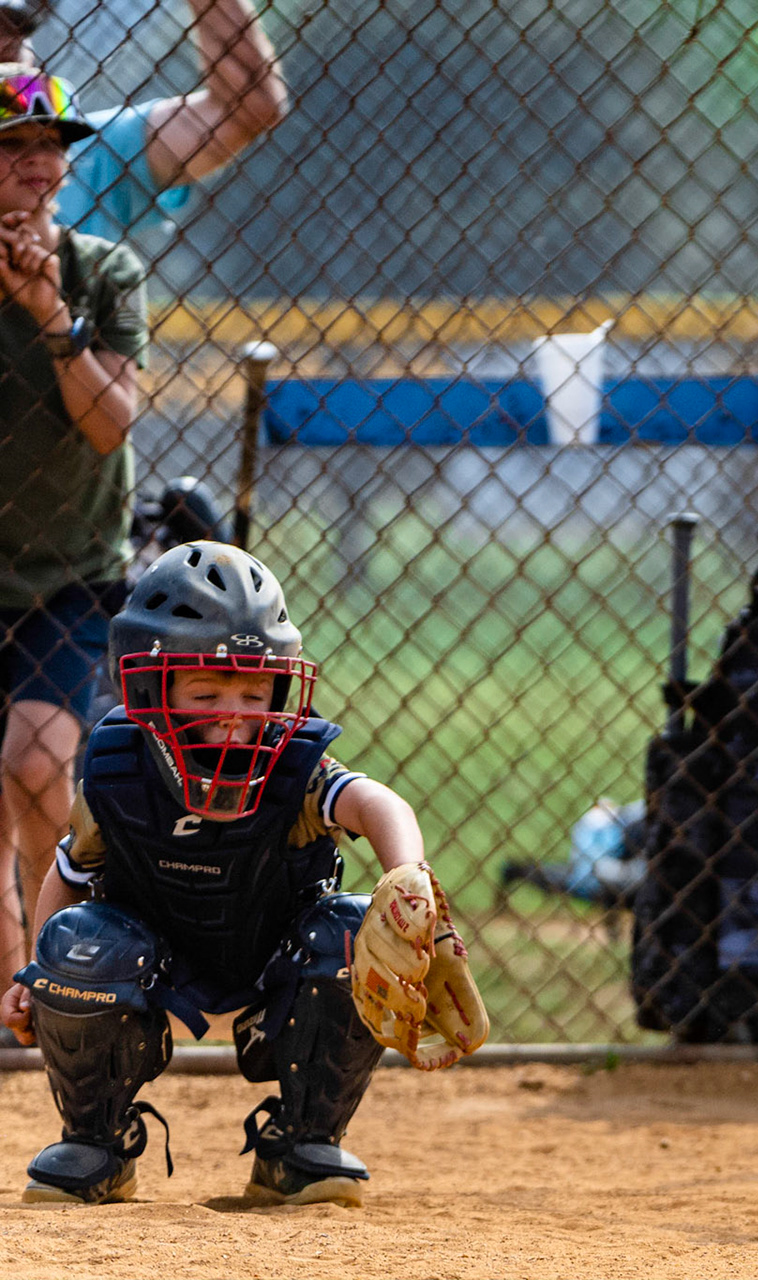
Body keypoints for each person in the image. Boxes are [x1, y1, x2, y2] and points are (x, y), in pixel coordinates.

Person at [0, 541, 487, 1205]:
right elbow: (69, 875)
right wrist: (36, 973)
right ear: (148, 685)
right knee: (76, 940)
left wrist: (407, 877)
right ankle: (96, 1142)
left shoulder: (294, 761)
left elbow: (378, 803)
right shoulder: (119, 770)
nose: (235, 711)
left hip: (276, 965)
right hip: (154, 965)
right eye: (206, 690)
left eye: (255, 690)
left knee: (348, 929)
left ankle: (302, 1145)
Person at [0, 63, 147, 996]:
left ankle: (68, 958)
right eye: (14, 147)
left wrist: (49, 312)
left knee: (37, 759)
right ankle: (13, 994)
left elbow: (111, 422)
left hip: (71, 574)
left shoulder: (101, 272)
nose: (40, 164)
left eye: (51, 145)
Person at [0, 0, 288, 242]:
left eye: (17, 28)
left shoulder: (85, 149)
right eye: (11, 143)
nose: (8, 44)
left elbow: (249, 107)